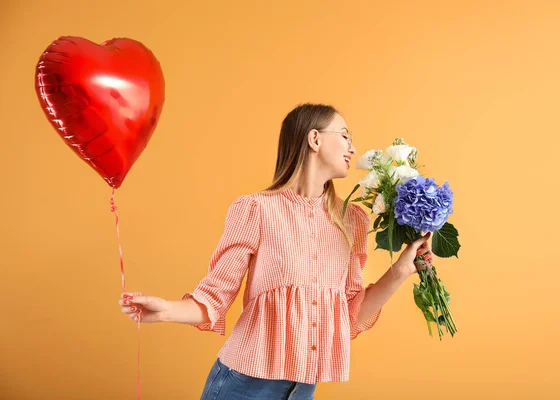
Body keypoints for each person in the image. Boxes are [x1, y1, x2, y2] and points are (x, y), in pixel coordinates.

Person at [118, 103, 434, 400]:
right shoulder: (256, 210)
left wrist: (400, 271)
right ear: (314, 139)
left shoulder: (353, 220)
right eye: (344, 135)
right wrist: (165, 311)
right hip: (243, 385)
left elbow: (350, 314)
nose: (353, 147)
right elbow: (214, 298)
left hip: (303, 388)